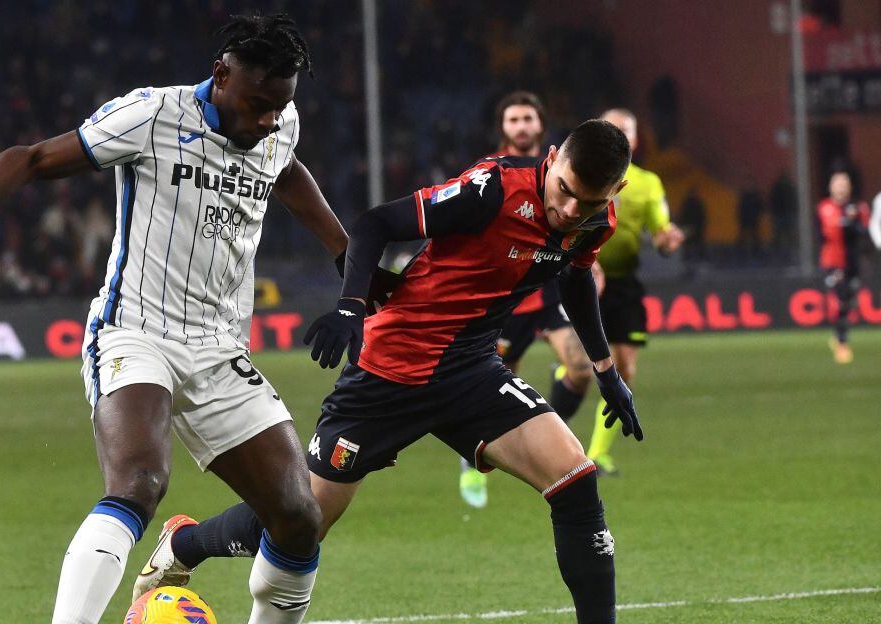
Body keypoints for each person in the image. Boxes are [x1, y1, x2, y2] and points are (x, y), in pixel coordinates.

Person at [0, 14, 393, 624]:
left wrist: (342, 252)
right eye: (256, 104)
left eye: (278, 107)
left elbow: (288, 172)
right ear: (220, 75)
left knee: (299, 516)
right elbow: (40, 157)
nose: (266, 121)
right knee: (140, 481)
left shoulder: (279, 125)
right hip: (135, 330)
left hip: (221, 347)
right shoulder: (152, 115)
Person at [142, 120, 644, 624]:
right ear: (552, 158)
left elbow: (576, 281)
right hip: (389, 370)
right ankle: (185, 542)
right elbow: (375, 224)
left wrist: (605, 371)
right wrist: (350, 307)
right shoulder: (493, 190)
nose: (571, 211)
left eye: (590, 201)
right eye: (565, 191)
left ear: (615, 190)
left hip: (470, 372)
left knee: (574, 478)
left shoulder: (595, 221)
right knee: (301, 520)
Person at [459, 91, 598, 509]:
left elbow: (582, 220)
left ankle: (552, 433)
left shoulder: (562, 170)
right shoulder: (493, 174)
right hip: (508, 296)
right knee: (495, 388)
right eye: (513, 120)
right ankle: (473, 462)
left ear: (541, 126)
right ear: (503, 128)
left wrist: (591, 266)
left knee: (579, 368)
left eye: (528, 119)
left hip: (550, 286)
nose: (521, 127)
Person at [584, 109, 683, 477]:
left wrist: (668, 240)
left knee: (624, 368)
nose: (620, 135)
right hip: (581, 279)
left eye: (626, 130)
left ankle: (596, 454)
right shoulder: (582, 172)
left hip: (623, 283)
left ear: (636, 139)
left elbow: (660, 233)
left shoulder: (648, 183)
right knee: (583, 364)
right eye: (613, 129)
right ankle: (569, 370)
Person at [817, 171, 870, 364]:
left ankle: (839, 335)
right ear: (831, 187)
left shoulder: (859, 208)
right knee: (839, 299)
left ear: (849, 187)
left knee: (849, 301)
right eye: (837, 183)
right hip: (832, 262)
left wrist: (853, 222)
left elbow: (865, 234)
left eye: (844, 183)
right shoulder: (823, 208)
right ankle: (842, 343)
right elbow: (819, 236)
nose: (840, 187)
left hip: (853, 263)